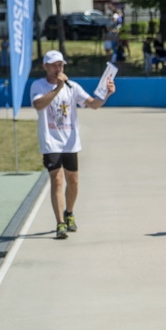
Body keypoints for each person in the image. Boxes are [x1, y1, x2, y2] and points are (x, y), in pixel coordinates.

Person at [30, 50, 115, 240]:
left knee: (73, 181)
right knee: (57, 180)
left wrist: (107, 94)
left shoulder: (72, 87)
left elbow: (93, 104)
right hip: (51, 142)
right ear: (45, 66)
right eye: (53, 65)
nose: (58, 68)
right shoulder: (38, 86)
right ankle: (60, 222)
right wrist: (57, 88)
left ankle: (69, 212)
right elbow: (38, 105)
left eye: (60, 65)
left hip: (70, 142)